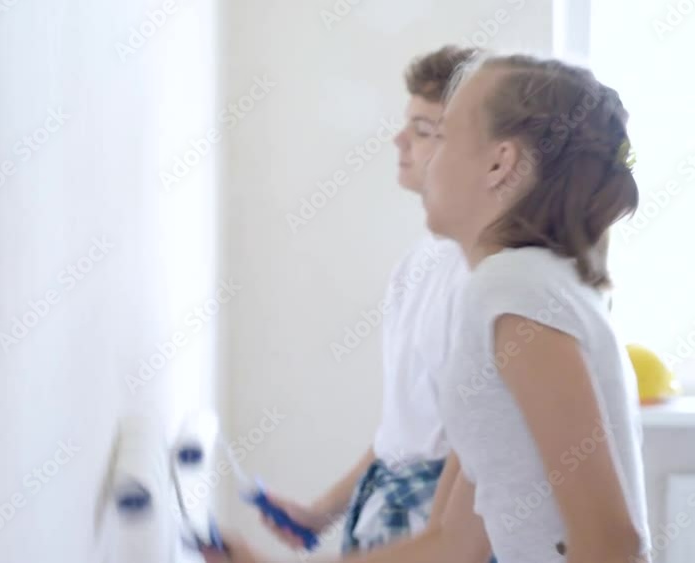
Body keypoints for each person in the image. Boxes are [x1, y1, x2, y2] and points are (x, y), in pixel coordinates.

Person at [205, 52, 652, 563]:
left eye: (445, 135)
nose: (428, 157)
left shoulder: (515, 290)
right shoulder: (514, 288)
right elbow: (452, 544)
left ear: (499, 163)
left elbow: (611, 544)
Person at [259, 45, 481, 555]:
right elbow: (402, 434)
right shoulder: (417, 263)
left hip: (439, 523)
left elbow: (470, 455)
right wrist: (321, 512)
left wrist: (437, 541)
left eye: (423, 130)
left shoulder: (481, 278)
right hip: (394, 512)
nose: (399, 140)